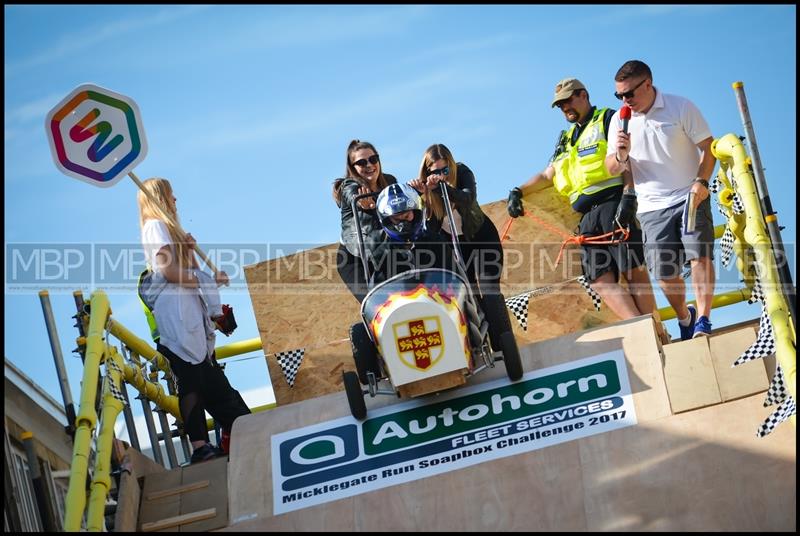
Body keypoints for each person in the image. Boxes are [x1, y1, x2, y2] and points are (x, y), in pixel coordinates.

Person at [506, 78, 656, 322]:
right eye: (560, 105)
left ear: (583, 95)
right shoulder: (566, 139)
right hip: (587, 218)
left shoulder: (607, 118)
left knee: (633, 271)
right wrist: (518, 190)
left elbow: (627, 157)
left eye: (568, 101)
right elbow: (547, 175)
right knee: (599, 279)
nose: (565, 108)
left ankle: (656, 329)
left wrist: (629, 195)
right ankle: (642, 327)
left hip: (614, 205)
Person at [137, 177, 250, 463]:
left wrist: (189, 253)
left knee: (211, 385)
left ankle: (244, 432)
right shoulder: (155, 227)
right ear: (160, 198)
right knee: (192, 382)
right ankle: (200, 446)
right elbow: (169, 272)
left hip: (190, 316)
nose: (175, 200)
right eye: (170, 195)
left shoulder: (168, 230)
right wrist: (205, 281)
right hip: (177, 316)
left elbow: (186, 269)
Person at [604, 60, 717, 339]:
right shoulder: (620, 120)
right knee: (665, 274)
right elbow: (611, 167)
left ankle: (703, 319)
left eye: (629, 93)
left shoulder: (680, 107)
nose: (625, 100)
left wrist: (701, 183)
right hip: (652, 206)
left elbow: (709, 148)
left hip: (689, 194)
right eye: (619, 96)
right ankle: (684, 316)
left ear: (647, 84)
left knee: (699, 256)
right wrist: (620, 154)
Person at [410, 143, 503, 296]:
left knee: (490, 292)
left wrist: (441, 187)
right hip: (457, 247)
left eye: (445, 170)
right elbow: (431, 229)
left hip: (483, 238)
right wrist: (423, 194)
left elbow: (468, 198)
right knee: (468, 295)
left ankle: (498, 319)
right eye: (436, 172)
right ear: (427, 172)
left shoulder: (462, 171)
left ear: (451, 165)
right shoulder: (427, 189)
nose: (442, 176)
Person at [333, 140, 397, 302]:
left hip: (383, 251)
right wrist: (361, 201)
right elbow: (351, 194)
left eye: (373, 159)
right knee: (376, 304)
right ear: (352, 167)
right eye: (361, 162)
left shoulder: (389, 182)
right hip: (355, 258)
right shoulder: (348, 185)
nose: (369, 165)